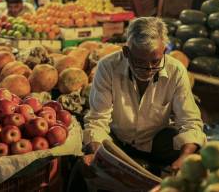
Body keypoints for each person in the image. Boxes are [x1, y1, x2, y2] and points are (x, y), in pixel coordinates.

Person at [82, 17, 207, 173]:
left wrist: (185, 158)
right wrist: (96, 153)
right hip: (117, 141)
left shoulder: (176, 70)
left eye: (155, 62)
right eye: (139, 62)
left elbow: (189, 120)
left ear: (164, 52)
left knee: (193, 151)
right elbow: (97, 119)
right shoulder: (107, 67)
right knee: (85, 161)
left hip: (154, 141)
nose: (148, 70)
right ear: (126, 52)